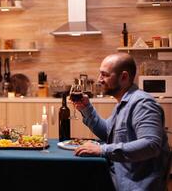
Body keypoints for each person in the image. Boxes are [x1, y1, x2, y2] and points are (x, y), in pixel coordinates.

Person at [73, 53, 170, 191]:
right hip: (118, 180)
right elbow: (108, 132)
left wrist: (102, 150)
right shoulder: (124, 102)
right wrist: (86, 109)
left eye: (105, 75)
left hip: (137, 186)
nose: (99, 80)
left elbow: (151, 145)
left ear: (124, 77)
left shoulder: (142, 103)